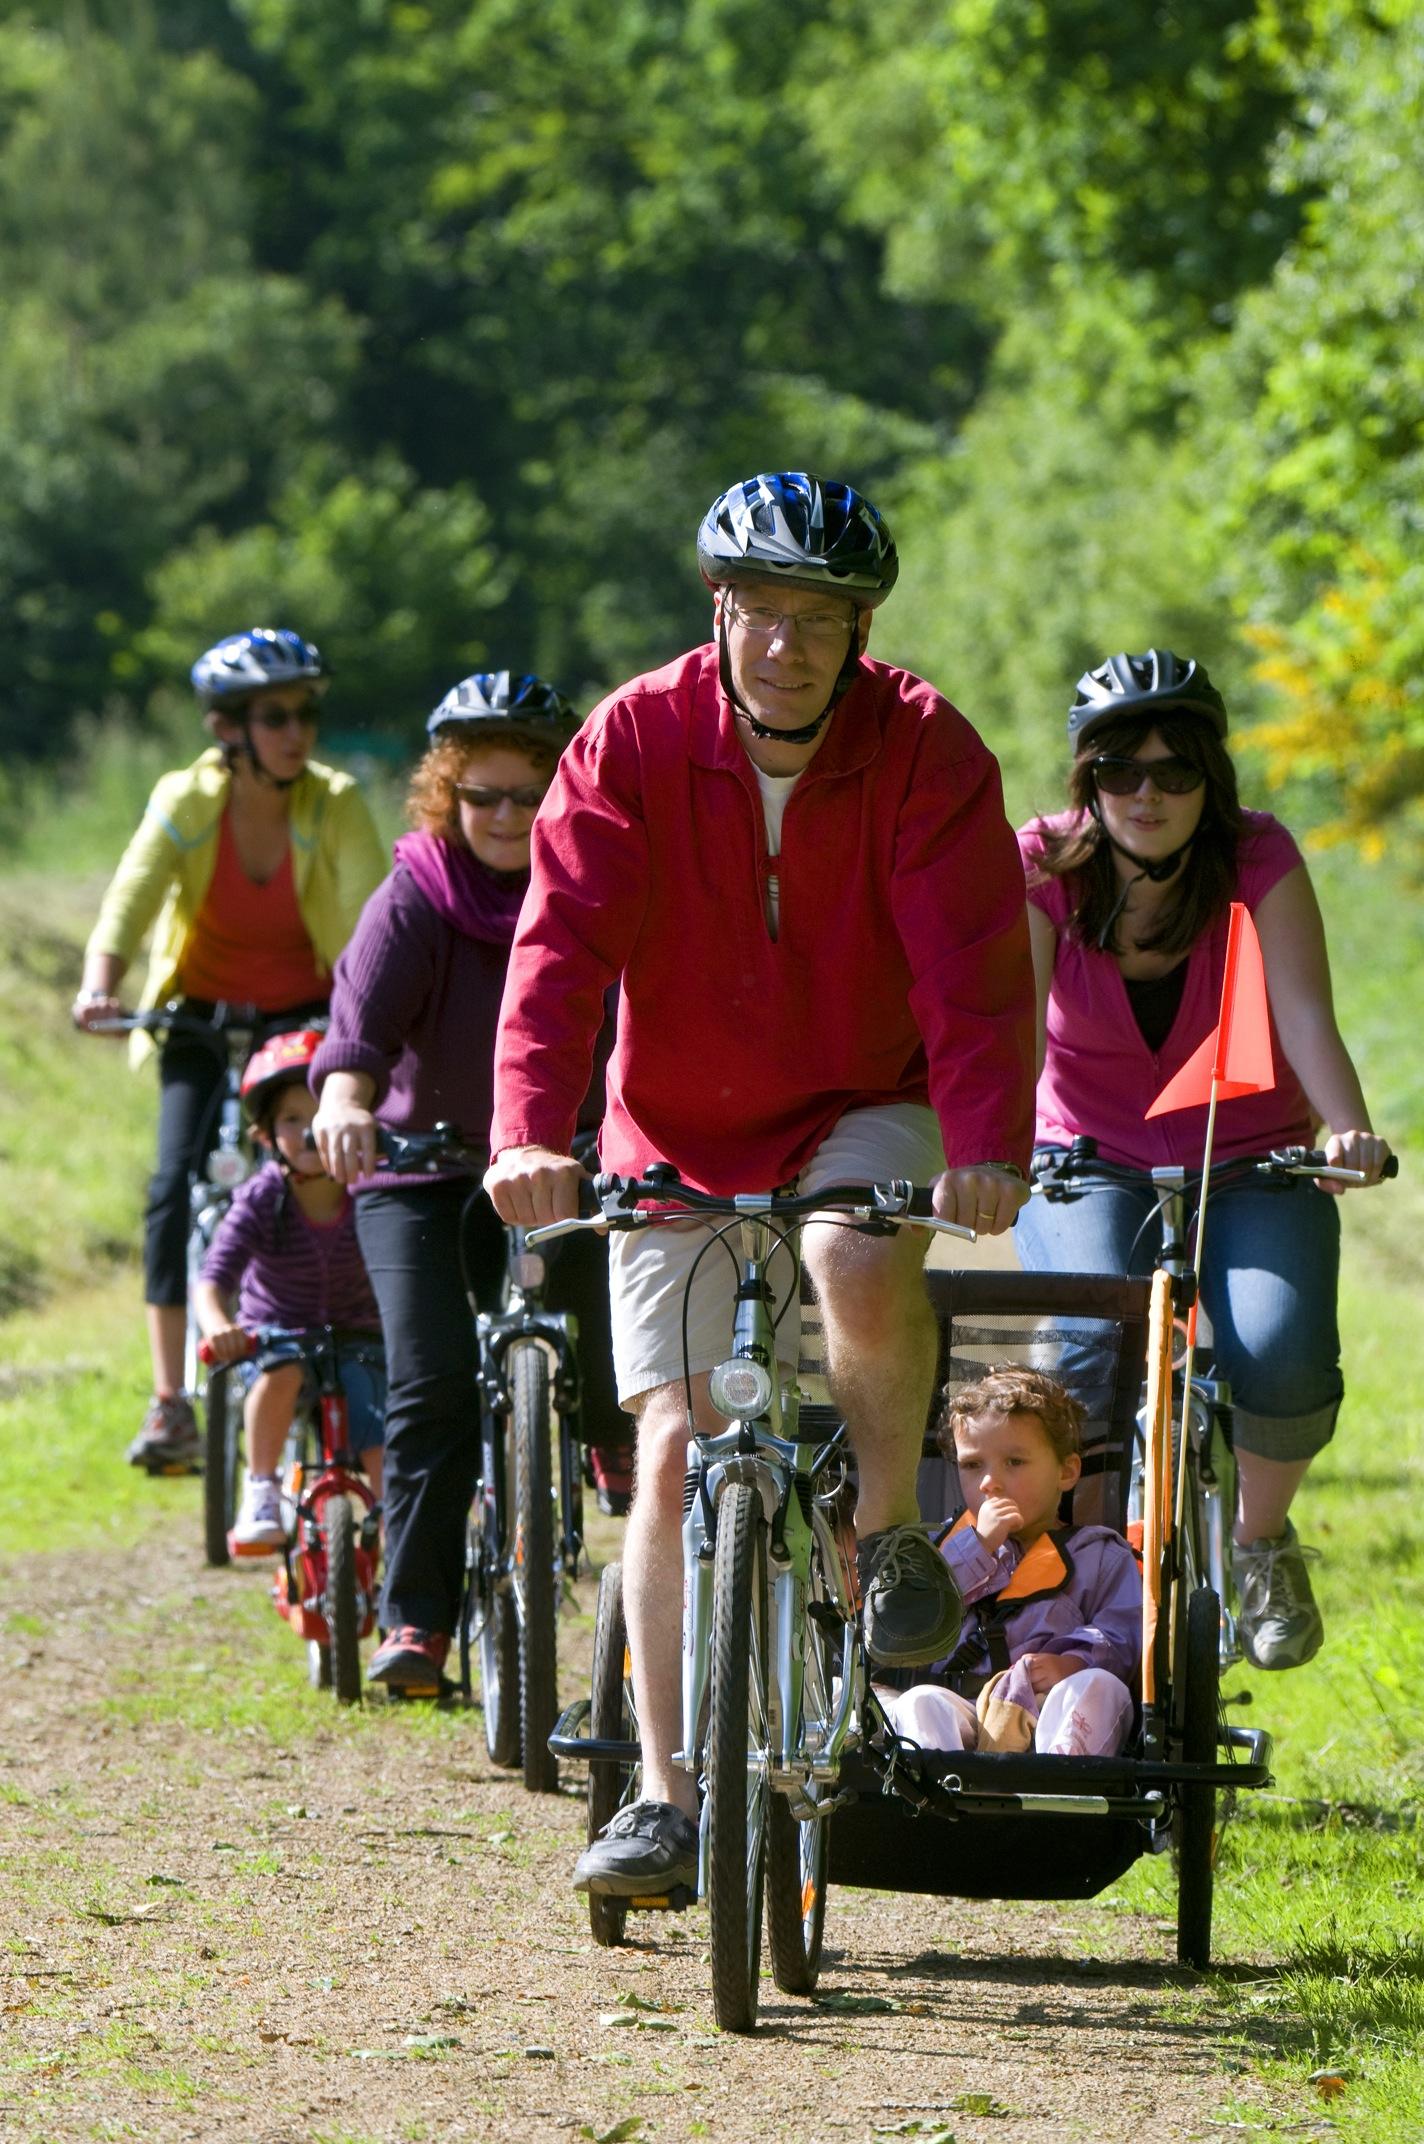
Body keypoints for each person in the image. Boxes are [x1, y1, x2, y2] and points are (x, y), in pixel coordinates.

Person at [484, 470, 1036, 1900]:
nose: (788, 645)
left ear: (860, 631)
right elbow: (557, 958)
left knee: (859, 1256)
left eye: (821, 619)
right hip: (671, 1117)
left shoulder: (925, 749)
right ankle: (664, 1800)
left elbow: (972, 968)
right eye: (763, 613)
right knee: (669, 1446)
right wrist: (527, 1132)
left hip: (871, 1093)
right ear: (716, 608)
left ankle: (884, 1531)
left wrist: (983, 1143)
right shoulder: (631, 739)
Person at [1016, 649, 1393, 1671]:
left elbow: (1302, 1014)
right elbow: (1006, 1036)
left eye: (1174, 770)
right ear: (1085, 778)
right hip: (1083, 1155)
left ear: (1209, 779)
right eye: (1119, 771)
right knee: (1082, 1354)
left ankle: (1259, 1540)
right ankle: (1079, 1569)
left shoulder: (1257, 855)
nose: (1147, 794)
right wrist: (978, 1150)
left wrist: (1344, 1128)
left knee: (1276, 1348)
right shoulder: (1041, 865)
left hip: (1251, 1150)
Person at [310, 672, 629, 1692]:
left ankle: (609, 1439)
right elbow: (357, 1026)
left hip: (562, 1157)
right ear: (445, 795)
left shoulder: (596, 885)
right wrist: (347, 1100)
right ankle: (417, 1624)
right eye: (479, 794)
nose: (501, 816)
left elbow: (646, 1016)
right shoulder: (414, 891)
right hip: (418, 1167)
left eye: (524, 794)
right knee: (431, 1381)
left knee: (611, 1316)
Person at [74, 629, 386, 1473]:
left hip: (305, 1013)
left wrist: (372, 1016)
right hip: (197, 1017)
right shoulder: (188, 797)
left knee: (330, 1166)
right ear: (228, 729)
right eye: (276, 715)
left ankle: (360, 1352)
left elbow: (367, 921)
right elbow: (131, 895)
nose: (298, 731)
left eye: (307, 712)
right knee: (172, 1184)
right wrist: (102, 982)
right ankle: (171, 1399)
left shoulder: (338, 801)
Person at [879, 1367, 1140, 1758]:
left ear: (1066, 1472)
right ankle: (938, 1795)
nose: (989, 1482)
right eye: (972, 1465)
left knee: (1101, 1687)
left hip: (1049, 1708)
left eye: (1014, 1462)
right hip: (963, 1711)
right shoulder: (938, 1554)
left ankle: (1059, 1783)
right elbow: (914, 1623)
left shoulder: (1101, 1555)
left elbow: (1123, 1634)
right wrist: (978, 1547)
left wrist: (1073, 1661)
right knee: (919, 1702)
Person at [192, 1030, 386, 1552]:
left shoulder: (370, 1190)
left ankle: (396, 1523)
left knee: (380, 1421)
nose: (305, 1133)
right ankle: (260, 1489)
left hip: (359, 1338)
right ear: (265, 1135)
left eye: (317, 1115)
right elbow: (214, 1281)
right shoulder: (261, 1197)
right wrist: (220, 1329)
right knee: (281, 1373)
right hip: (276, 1340)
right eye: (290, 1120)